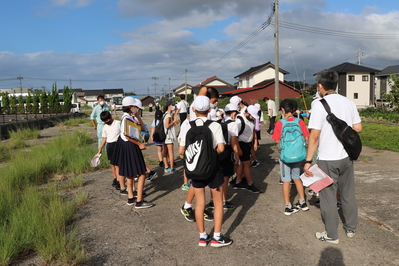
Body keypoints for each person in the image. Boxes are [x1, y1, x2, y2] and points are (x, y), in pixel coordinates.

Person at [303, 69, 362, 244]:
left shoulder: (318, 105)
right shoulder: (348, 102)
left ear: (320, 86)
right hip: (346, 156)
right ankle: (351, 228)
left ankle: (332, 235)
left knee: (327, 196)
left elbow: (314, 135)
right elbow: (358, 128)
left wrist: (307, 161)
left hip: (327, 158)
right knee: (348, 193)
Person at [178, 95, 233, 247]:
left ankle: (202, 236)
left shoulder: (187, 125)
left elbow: (181, 151)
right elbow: (221, 148)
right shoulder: (215, 125)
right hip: (213, 169)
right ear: (210, 109)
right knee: (217, 203)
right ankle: (217, 237)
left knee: (200, 203)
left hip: (196, 169)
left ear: (193, 109)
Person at [272, 99, 309, 215]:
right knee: (297, 178)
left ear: (282, 110)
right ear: (294, 110)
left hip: (285, 157)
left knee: (286, 180)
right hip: (299, 155)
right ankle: (302, 202)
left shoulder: (280, 123)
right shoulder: (300, 122)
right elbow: (306, 137)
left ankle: (288, 206)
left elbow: (277, 139)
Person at [116, 97, 154, 209]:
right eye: (134, 107)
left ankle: (131, 197)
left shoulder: (128, 117)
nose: (136, 109)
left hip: (127, 146)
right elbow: (127, 135)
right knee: (142, 173)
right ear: (130, 107)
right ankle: (139, 201)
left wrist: (137, 116)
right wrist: (139, 144)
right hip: (131, 146)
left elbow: (142, 129)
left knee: (130, 174)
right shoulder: (127, 119)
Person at [233, 105, 262, 193]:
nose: (253, 117)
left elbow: (253, 131)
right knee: (247, 164)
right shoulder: (239, 120)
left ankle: (238, 182)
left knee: (242, 163)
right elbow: (234, 136)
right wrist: (238, 149)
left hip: (248, 144)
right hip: (241, 144)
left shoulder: (251, 119)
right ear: (247, 113)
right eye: (252, 115)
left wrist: (255, 142)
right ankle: (250, 184)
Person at [97, 111, 124, 191]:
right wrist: (100, 149)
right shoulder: (105, 127)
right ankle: (115, 178)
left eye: (107, 120)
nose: (107, 122)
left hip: (118, 145)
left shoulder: (118, 123)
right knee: (113, 164)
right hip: (110, 146)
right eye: (105, 121)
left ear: (110, 117)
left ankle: (120, 181)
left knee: (118, 165)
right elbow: (104, 139)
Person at [163, 100, 178, 174]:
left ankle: (166, 167)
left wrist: (174, 115)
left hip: (165, 136)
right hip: (168, 136)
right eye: (173, 105)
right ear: (169, 106)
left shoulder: (166, 114)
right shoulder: (168, 115)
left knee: (165, 152)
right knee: (171, 152)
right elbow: (167, 125)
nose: (174, 106)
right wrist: (173, 121)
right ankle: (172, 168)